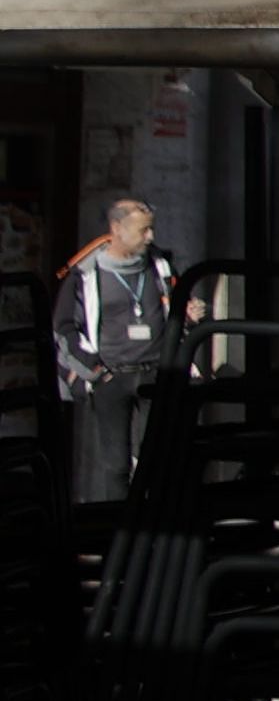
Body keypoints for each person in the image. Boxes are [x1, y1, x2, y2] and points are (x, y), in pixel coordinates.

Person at [48, 194, 171, 504]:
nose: (150, 237)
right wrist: (94, 370)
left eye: (151, 229)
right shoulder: (85, 274)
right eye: (143, 230)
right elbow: (63, 328)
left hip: (156, 374)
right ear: (116, 228)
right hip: (110, 377)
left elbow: (173, 306)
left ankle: (155, 534)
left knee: (156, 460)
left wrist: (191, 317)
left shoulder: (160, 265)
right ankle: (117, 535)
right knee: (115, 465)